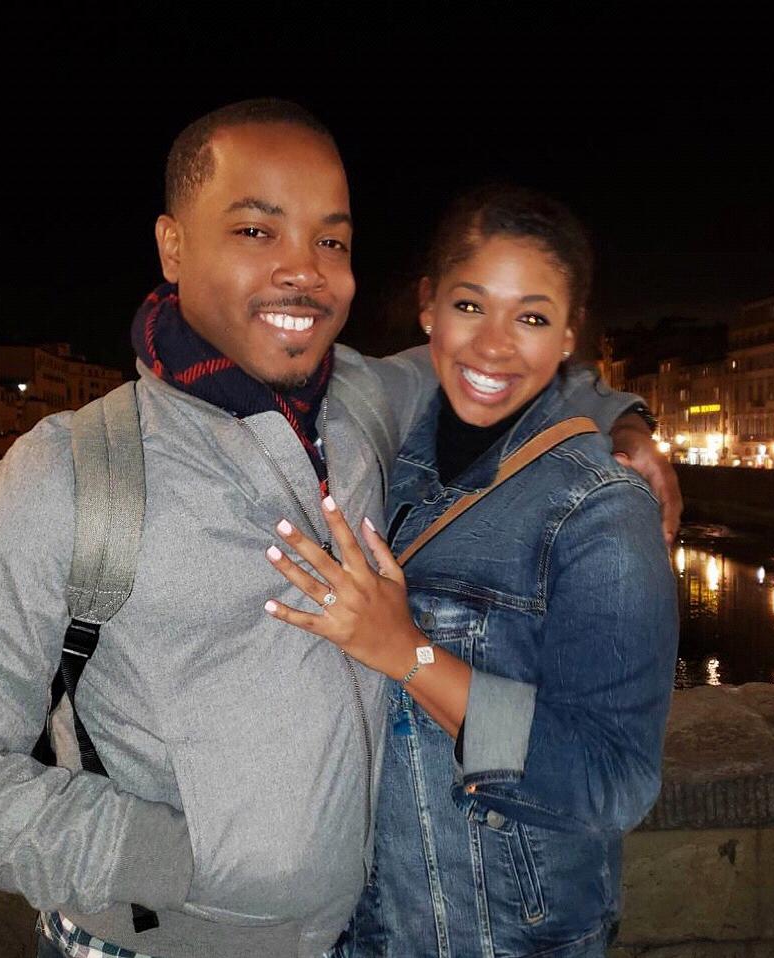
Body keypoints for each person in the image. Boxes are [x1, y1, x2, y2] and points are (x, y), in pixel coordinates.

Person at [0, 101, 676, 958]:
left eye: (332, 241)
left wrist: (624, 424)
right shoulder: (69, 475)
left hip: (367, 937)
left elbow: (497, 370)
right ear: (173, 247)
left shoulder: (363, 403)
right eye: (255, 230)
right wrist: (179, 860)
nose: (304, 271)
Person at [265, 187, 679, 957]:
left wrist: (409, 656)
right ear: (429, 311)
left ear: (566, 337)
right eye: (469, 306)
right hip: (362, 923)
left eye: (530, 318)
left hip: (497, 937)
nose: (493, 346)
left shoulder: (603, 510)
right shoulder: (397, 447)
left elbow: (614, 779)